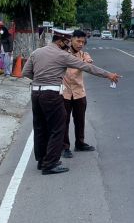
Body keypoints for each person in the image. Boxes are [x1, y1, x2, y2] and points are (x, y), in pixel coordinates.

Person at [22, 30, 120, 175]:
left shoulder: (36, 52)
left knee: (40, 127)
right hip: (52, 94)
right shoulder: (62, 55)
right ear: (60, 41)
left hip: (36, 93)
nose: (68, 45)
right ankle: (50, 164)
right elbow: (88, 68)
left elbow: (26, 72)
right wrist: (108, 75)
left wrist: (41, 81)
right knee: (57, 128)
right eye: (66, 42)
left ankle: (42, 161)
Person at [61, 30, 95, 159]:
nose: (80, 44)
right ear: (71, 40)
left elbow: (89, 64)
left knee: (80, 120)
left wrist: (87, 63)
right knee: (64, 121)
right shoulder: (63, 54)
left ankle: (80, 143)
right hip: (64, 92)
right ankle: (64, 147)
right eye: (78, 41)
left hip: (79, 92)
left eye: (83, 42)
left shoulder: (84, 54)